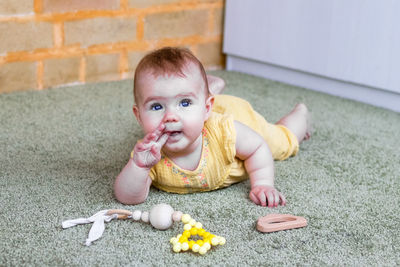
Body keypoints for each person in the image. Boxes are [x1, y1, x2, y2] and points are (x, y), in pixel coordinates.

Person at [114, 47, 311, 207]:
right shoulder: (148, 155)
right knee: (191, 95)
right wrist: (138, 167)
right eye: (156, 106)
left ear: (207, 108)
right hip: (202, 108)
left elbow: (258, 148)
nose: (171, 117)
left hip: (237, 115)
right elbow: (127, 197)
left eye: (184, 103)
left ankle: (300, 114)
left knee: (282, 143)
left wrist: (263, 184)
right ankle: (203, 90)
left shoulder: (225, 131)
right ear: (139, 116)